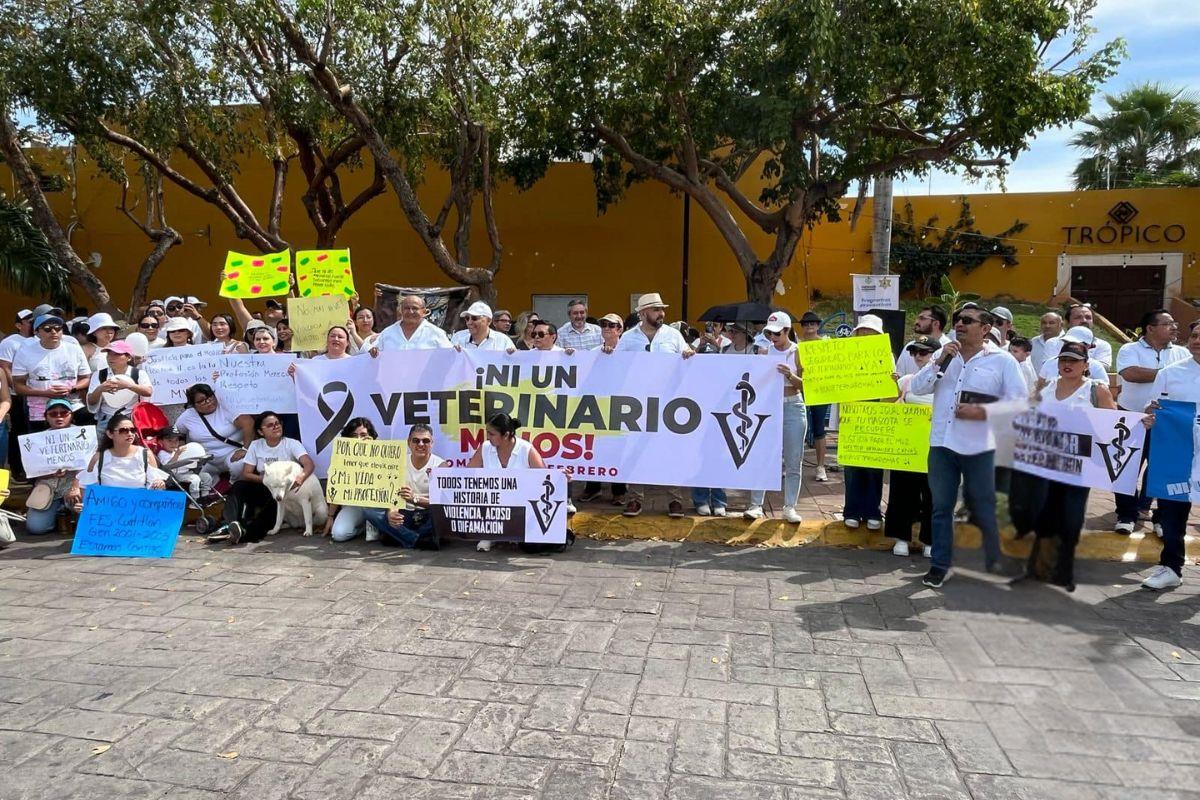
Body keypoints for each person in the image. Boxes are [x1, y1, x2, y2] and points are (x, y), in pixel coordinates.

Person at [908, 306, 1027, 589]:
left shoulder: (1003, 361)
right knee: (941, 508)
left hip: (980, 447)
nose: (959, 325)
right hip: (942, 443)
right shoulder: (943, 354)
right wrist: (940, 361)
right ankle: (940, 565)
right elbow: (918, 387)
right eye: (957, 320)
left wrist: (982, 412)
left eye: (967, 321)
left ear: (985, 329)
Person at [1009, 341, 1116, 592]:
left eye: (1074, 361)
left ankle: (1062, 572)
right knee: (1042, 516)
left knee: (1071, 518)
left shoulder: (1096, 391)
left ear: (1086, 365)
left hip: (1079, 466)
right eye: (1063, 360)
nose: (1067, 365)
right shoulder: (1045, 388)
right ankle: (1037, 569)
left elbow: (1114, 425)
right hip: (1045, 464)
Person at [611, 293, 694, 518]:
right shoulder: (628, 338)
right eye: (656, 309)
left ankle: (675, 500)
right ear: (643, 313)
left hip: (668, 403)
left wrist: (687, 353)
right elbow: (616, 367)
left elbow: (687, 357)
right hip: (638, 403)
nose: (661, 313)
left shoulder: (673, 335)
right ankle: (635, 499)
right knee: (635, 451)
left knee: (668, 451)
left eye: (662, 309)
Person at [1112, 309, 1190, 536]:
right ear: (1151, 328)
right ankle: (1126, 514)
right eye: (1168, 323)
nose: (1175, 327)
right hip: (1131, 418)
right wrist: (1169, 374)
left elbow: (1186, 380)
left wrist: (1167, 375)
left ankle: (1160, 518)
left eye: (1175, 323)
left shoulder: (1181, 353)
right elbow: (1131, 373)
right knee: (1125, 469)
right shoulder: (1130, 349)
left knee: (1162, 470)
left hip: (1166, 421)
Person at [1140, 321, 1200, 590]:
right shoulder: (1170, 372)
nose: (1197, 341)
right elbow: (1152, 407)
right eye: (1195, 336)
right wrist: (1150, 415)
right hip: (1178, 452)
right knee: (1173, 511)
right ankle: (1171, 567)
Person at [208, 410, 314, 544]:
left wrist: (300, 478)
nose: (276, 427)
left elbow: (308, 464)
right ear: (260, 432)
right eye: (270, 425)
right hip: (263, 485)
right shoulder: (255, 445)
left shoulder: (291, 444)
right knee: (239, 486)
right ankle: (227, 525)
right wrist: (267, 481)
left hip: (283, 490)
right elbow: (246, 473)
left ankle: (246, 534)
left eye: (277, 423)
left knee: (273, 506)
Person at [742, 311, 806, 523]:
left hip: (792, 405)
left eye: (777, 333)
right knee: (763, 455)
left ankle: (790, 507)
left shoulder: (799, 352)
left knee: (793, 459)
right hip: (769, 406)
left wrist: (790, 375)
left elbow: (809, 386)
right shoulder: (765, 351)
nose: (773, 337)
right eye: (770, 333)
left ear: (787, 331)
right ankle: (756, 504)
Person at [466, 413, 549, 551]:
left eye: (492, 434)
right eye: (487, 433)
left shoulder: (526, 449)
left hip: (521, 505)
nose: (488, 437)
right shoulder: (485, 447)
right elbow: (466, 474)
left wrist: (562, 476)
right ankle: (490, 534)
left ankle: (514, 532)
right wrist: (439, 476)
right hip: (491, 504)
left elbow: (544, 478)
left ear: (506, 435)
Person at [840, 315, 892, 530]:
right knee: (852, 466)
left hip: (876, 416)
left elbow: (891, 389)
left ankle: (873, 511)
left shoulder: (888, 355)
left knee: (873, 467)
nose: (865, 334)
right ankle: (851, 510)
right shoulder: (845, 355)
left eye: (870, 331)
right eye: (862, 331)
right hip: (852, 414)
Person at [887, 337, 936, 557]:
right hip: (906, 448)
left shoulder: (946, 383)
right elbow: (888, 408)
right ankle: (901, 538)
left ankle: (930, 540)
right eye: (915, 352)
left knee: (933, 495)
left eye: (924, 353)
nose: (918, 356)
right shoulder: (905, 381)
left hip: (933, 448)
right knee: (901, 493)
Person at [362, 424, 447, 548]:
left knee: (443, 513)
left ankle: (401, 537)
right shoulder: (398, 462)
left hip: (428, 515)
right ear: (409, 442)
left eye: (426, 441)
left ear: (432, 443)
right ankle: (417, 540)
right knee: (370, 512)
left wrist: (415, 498)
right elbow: (391, 495)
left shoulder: (441, 465)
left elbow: (440, 503)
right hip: (404, 513)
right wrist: (392, 512)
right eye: (416, 440)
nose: (421, 444)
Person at [578, 313, 629, 506]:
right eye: (604, 324)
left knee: (617, 446)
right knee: (594, 446)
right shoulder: (593, 352)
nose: (607, 327)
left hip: (620, 405)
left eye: (612, 325)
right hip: (596, 404)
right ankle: (593, 487)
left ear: (620, 329)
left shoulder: (629, 351)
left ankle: (619, 490)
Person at [11, 313, 91, 429]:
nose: (54, 332)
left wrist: (71, 388)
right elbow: (18, 385)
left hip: (72, 405)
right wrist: (44, 393)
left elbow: (85, 378)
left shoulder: (73, 349)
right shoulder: (25, 352)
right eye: (47, 329)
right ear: (36, 332)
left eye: (58, 328)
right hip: (40, 409)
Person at [70, 414, 168, 503]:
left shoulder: (146, 454)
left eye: (133, 430)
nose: (130, 434)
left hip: (139, 513)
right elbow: (85, 486)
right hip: (107, 515)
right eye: (124, 430)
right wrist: (84, 506)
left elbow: (155, 487)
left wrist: (159, 484)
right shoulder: (99, 457)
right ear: (110, 434)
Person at [175, 383, 253, 481]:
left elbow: (248, 423)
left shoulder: (225, 407)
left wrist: (245, 449)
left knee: (239, 466)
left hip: (232, 453)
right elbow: (177, 433)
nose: (208, 402)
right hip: (208, 459)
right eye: (202, 401)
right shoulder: (187, 417)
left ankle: (234, 486)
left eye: (210, 397)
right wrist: (181, 447)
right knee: (197, 480)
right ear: (193, 405)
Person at [21, 399, 78, 534]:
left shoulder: (83, 435)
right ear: (46, 417)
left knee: (86, 522)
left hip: (74, 485)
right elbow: (30, 471)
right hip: (48, 487)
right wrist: (50, 473)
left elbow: (90, 467)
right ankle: (58, 516)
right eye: (53, 414)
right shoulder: (36, 440)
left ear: (71, 415)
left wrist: (76, 486)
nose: (59, 417)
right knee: (35, 527)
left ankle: (68, 515)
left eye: (64, 413)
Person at [327, 418, 382, 542]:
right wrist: (330, 516)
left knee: (375, 537)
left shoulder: (381, 455)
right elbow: (336, 488)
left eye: (363, 435)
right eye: (354, 435)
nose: (358, 439)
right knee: (338, 534)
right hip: (353, 506)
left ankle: (375, 526)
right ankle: (361, 528)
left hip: (376, 506)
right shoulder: (340, 459)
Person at [85, 341, 153, 432]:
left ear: (128, 357)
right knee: (102, 445)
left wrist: (128, 385)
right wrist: (100, 389)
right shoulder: (99, 374)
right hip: (106, 418)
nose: (111, 358)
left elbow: (148, 392)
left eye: (116, 354)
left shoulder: (138, 373)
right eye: (109, 354)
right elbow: (91, 401)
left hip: (131, 418)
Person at [797, 311, 831, 481]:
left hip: (820, 390)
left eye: (813, 323)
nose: (809, 326)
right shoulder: (797, 346)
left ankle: (820, 466)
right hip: (800, 389)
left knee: (819, 429)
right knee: (798, 429)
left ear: (818, 326)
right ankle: (794, 465)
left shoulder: (826, 344)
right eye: (806, 324)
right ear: (802, 327)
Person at [372, 295, 452, 352]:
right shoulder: (387, 333)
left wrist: (457, 351)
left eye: (415, 308)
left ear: (424, 312)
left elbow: (450, 357)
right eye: (406, 308)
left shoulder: (436, 333)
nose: (410, 312)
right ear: (401, 310)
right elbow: (371, 354)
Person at [1041, 303, 1113, 367]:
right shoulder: (1053, 343)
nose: (1084, 321)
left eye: (1088, 317)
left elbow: (1104, 368)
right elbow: (1048, 368)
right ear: (1067, 323)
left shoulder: (1102, 345)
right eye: (1078, 317)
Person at [156, 425, 212, 499]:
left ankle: (205, 495)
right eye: (170, 440)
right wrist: (177, 454)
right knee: (195, 479)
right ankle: (195, 499)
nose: (174, 443)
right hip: (176, 475)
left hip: (188, 472)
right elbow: (167, 467)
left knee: (206, 476)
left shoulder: (176, 450)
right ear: (160, 442)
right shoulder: (162, 453)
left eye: (176, 440)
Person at [1036, 326, 1108, 383]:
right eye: (1066, 342)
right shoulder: (1050, 362)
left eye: (1074, 343)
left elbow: (1103, 393)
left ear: (1088, 346)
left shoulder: (1096, 366)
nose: (1069, 346)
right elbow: (1039, 389)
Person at [896, 305, 950, 376]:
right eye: (914, 352)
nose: (916, 322)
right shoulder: (910, 346)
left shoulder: (949, 349)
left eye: (922, 318)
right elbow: (899, 375)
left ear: (936, 323)